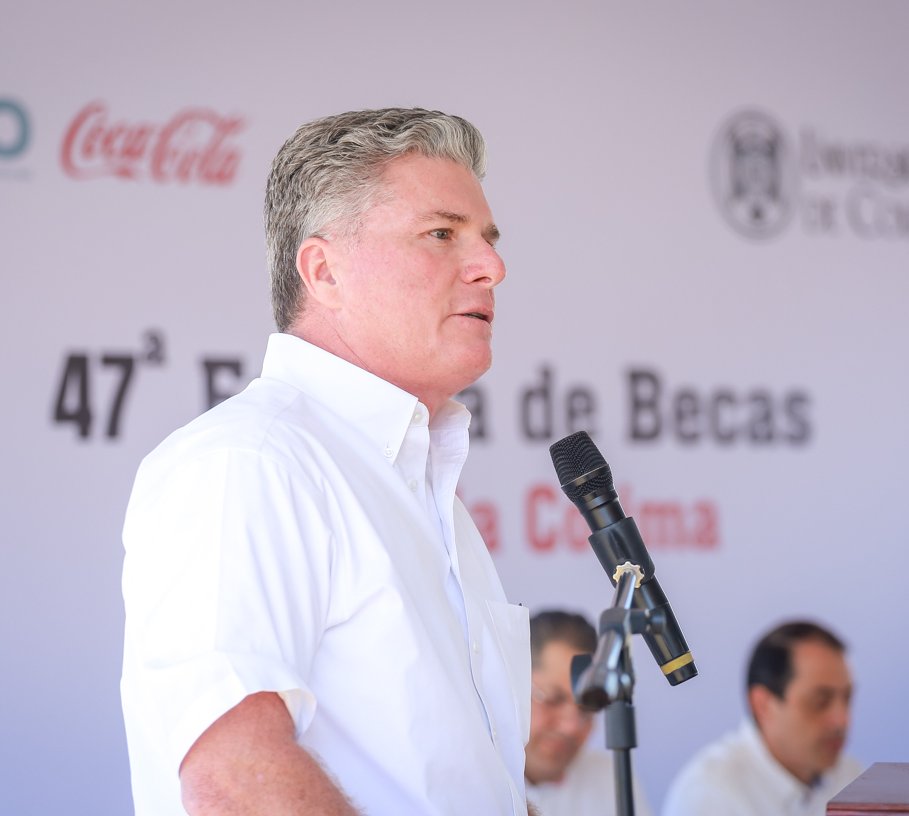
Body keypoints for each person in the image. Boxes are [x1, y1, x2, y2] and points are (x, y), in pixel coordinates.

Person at [119, 108, 529, 816]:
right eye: (442, 233)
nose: (492, 266)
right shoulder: (250, 463)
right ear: (324, 271)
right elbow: (237, 784)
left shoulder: (425, 492)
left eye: (488, 241)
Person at [661, 621, 863, 816]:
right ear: (763, 705)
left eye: (847, 698)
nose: (841, 720)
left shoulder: (851, 778)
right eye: (820, 702)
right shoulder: (710, 796)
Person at [525, 611, 652, 816]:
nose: (571, 727)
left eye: (587, 709)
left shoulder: (611, 780)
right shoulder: (475, 783)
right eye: (554, 699)